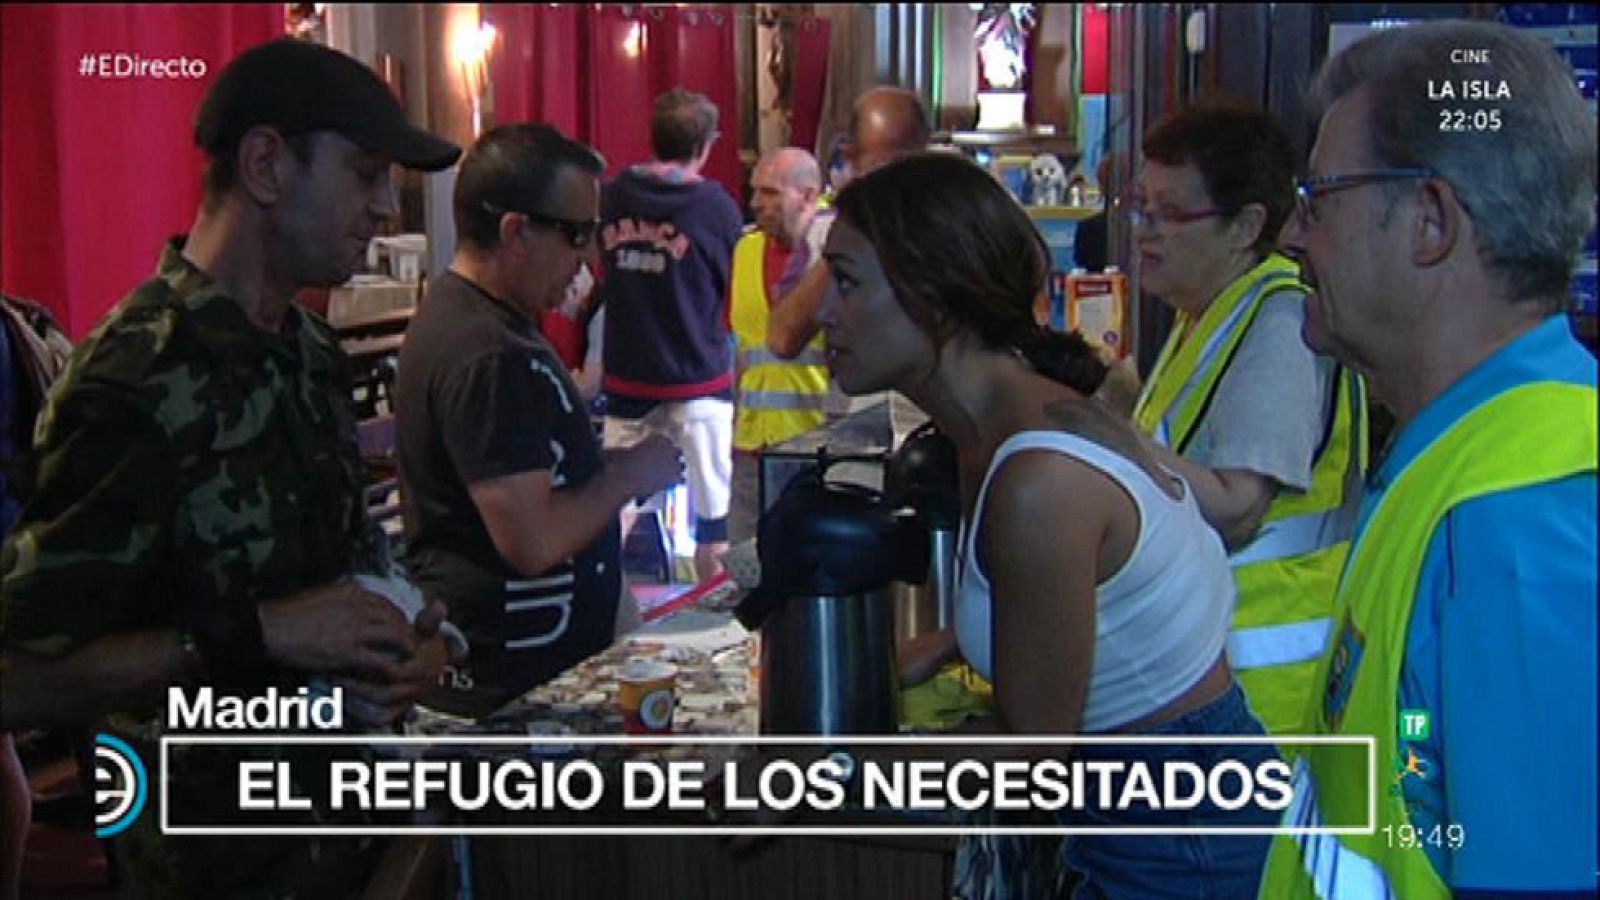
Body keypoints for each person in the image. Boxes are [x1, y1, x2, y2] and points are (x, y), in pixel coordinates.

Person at [0, 38, 462, 896]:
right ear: (265, 165)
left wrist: (413, 642)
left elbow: (351, 576)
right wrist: (255, 632)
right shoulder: (134, 378)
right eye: (365, 174)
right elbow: (17, 676)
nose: (385, 210)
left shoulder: (310, 352)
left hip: (353, 834)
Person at [820, 152, 1279, 897]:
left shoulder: (1039, 478)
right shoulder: (992, 426)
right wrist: (940, 646)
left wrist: (819, 767)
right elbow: (1081, 611)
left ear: (933, 295)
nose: (822, 311)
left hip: (1175, 832)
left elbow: (1030, 754)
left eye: (845, 281)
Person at [1260, 20, 1597, 898]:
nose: (1294, 235)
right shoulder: (1462, 457)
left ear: (1430, 221)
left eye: (1318, 199)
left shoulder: (1520, 516)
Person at [395, 123, 682, 718]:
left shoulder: (489, 322)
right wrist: (628, 474)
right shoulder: (487, 352)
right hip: (512, 686)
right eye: (576, 234)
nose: (589, 258)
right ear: (516, 230)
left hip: (533, 666)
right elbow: (530, 541)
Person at [1126, 102, 1366, 738]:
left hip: (1259, 692)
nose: (1144, 231)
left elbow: (1238, 505)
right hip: (1199, 673)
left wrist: (1107, 444)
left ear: (1245, 226)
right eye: (1139, 208)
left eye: (1170, 213)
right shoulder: (1207, 312)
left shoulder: (1280, 321)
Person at [597, 88, 742, 582]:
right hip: (697, 380)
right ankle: (718, 628)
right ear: (705, 144)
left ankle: (598, 608)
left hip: (628, 376)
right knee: (712, 522)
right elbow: (733, 287)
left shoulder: (612, 196)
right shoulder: (713, 206)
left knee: (616, 505)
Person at [766, 85, 931, 360]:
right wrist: (850, 239)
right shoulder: (822, 234)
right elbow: (783, 338)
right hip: (856, 398)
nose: (898, 181)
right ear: (851, 157)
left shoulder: (956, 223)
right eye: (882, 166)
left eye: (909, 165)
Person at [728, 147, 829, 543]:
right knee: (744, 575)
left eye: (770, 192)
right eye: (755, 192)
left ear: (807, 196)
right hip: (753, 448)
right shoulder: (746, 249)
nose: (755, 203)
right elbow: (741, 349)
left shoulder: (835, 251)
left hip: (816, 447)